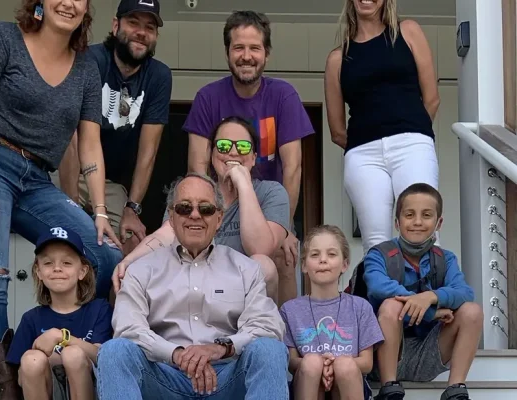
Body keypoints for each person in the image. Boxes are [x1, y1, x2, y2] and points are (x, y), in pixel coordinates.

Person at [0, 0, 121, 396]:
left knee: (107, 254)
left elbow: (89, 144)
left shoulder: (88, 68)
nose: (69, 3)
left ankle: (70, 355)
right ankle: (9, 387)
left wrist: (102, 212)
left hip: (37, 177)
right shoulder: (3, 38)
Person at [96, 173, 289, 400]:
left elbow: (267, 326)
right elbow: (128, 330)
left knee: (270, 349)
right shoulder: (142, 270)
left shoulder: (245, 269)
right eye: (185, 208)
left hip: (226, 377)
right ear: (172, 216)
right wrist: (177, 354)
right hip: (165, 377)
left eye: (205, 209)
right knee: (114, 351)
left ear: (219, 219)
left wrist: (220, 348)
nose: (195, 215)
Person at [184, 10, 315, 305]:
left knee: (284, 253)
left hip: (270, 205)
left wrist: (285, 228)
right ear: (228, 52)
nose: (246, 56)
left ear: (266, 53)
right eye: (239, 47)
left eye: (254, 48)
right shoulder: (208, 97)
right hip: (220, 203)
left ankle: (283, 342)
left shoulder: (283, 95)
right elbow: (197, 166)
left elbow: (293, 167)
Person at [112, 116, 290, 302]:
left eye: (243, 146)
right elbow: (166, 234)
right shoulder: (192, 191)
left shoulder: (272, 192)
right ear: (212, 155)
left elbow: (260, 248)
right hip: (192, 279)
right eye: (223, 146)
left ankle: (255, 331)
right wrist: (129, 261)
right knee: (133, 269)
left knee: (265, 266)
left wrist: (244, 185)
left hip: (240, 290)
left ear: (253, 158)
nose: (233, 152)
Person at [325, 0, 440, 253]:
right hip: (363, 155)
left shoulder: (408, 31)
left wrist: (410, 130)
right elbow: (336, 130)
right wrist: (369, 139)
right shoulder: (337, 58)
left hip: (412, 145)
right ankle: (385, 294)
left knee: (421, 230)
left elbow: (431, 98)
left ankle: (428, 294)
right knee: (376, 243)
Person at [58, 0, 172, 251]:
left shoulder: (159, 76)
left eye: (150, 27)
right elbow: (71, 135)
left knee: (130, 240)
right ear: (115, 25)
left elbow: (148, 152)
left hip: (111, 182)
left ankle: (118, 290)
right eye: (133, 23)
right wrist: (72, 205)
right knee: (65, 239)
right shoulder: (88, 59)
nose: (141, 32)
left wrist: (133, 207)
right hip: (69, 170)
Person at [363, 183, 483, 400]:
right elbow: (377, 287)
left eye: (426, 215)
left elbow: (464, 292)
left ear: (439, 223)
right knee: (390, 304)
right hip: (381, 356)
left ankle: (456, 389)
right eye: (409, 215)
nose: (417, 222)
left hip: (427, 354)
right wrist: (430, 312)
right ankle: (389, 388)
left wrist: (431, 297)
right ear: (397, 222)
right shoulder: (378, 254)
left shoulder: (445, 258)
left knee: (472, 311)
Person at [6, 226, 113, 400]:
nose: (57, 268)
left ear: (82, 271)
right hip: (47, 389)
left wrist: (62, 338)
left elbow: (105, 358)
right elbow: (20, 377)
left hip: (92, 389)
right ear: (38, 271)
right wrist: (46, 360)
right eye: (48, 263)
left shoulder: (100, 309)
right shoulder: (31, 318)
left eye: (67, 263)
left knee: (73, 354)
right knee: (32, 359)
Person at [280, 225, 384, 400]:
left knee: (345, 365)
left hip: (349, 384)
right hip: (308, 385)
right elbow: (291, 363)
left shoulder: (360, 307)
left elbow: (366, 363)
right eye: (315, 255)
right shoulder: (290, 310)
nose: (323, 260)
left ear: (345, 264)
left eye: (331, 254)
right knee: (312, 362)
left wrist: (334, 364)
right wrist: (319, 364)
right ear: (304, 265)